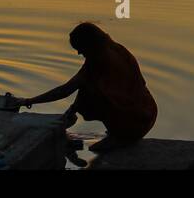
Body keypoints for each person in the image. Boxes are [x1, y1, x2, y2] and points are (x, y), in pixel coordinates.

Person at [13, 22, 157, 151]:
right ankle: (117, 132)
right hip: (148, 114)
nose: (79, 53)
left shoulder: (99, 61)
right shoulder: (118, 49)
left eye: (79, 48)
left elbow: (65, 90)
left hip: (133, 125)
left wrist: (28, 101)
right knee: (88, 85)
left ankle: (119, 136)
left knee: (87, 88)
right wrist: (73, 108)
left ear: (89, 45)